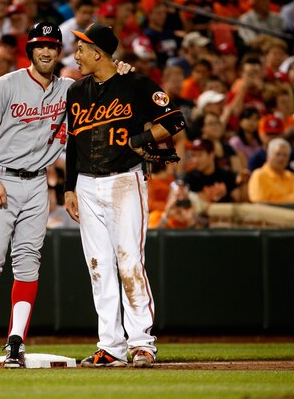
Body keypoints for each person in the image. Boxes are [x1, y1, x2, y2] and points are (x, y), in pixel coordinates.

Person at [0, 21, 132, 369]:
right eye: (39, 45)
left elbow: (105, 88)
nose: (46, 51)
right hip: (1, 180)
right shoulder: (6, 84)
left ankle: (15, 344)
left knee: (27, 263)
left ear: (59, 51)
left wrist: (122, 73)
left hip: (37, 184)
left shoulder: (69, 88)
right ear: (30, 50)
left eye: (52, 45)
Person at [63, 23, 185, 368]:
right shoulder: (76, 91)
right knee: (99, 267)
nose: (77, 55)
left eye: (82, 48)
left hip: (123, 181)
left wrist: (138, 141)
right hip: (86, 184)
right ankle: (111, 346)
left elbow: (175, 120)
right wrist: (69, 187)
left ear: (98, 52)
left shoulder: (135, 83)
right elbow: (73, 142)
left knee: (129, 260)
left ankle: (142, 343)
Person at [248, 138, 294, 204]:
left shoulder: (290, 176)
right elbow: (259, 202)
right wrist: (290, 201)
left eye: (285, 155)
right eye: (278, 154)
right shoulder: (259, 175)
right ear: (268, 155)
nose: (281, 158)